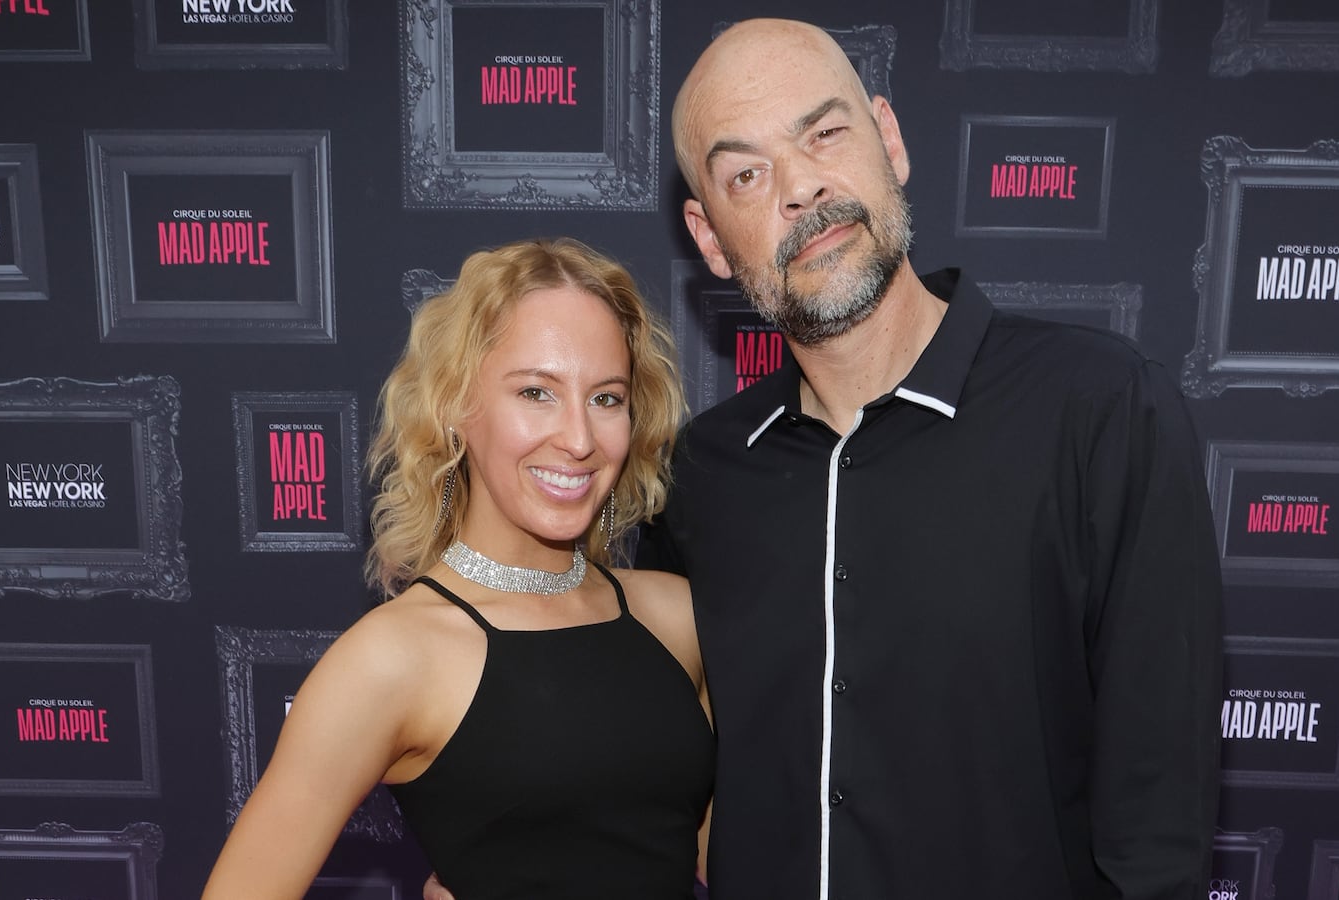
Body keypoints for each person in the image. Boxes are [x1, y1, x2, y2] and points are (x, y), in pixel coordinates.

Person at [432, 17, 1223, 900]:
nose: (800, 187)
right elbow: (648, 767)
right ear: (709, 237)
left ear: (888, 138)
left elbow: (1160, 819)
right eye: (745, 174)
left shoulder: (1103, 409)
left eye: (825, 134)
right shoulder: (700, 477)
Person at [203, 237, 712, 900]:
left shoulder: (675, 617)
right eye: (536, 391)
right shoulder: (392, 658)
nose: (580, 439)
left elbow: (723, 858)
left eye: (607, 398)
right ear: (455, 408)